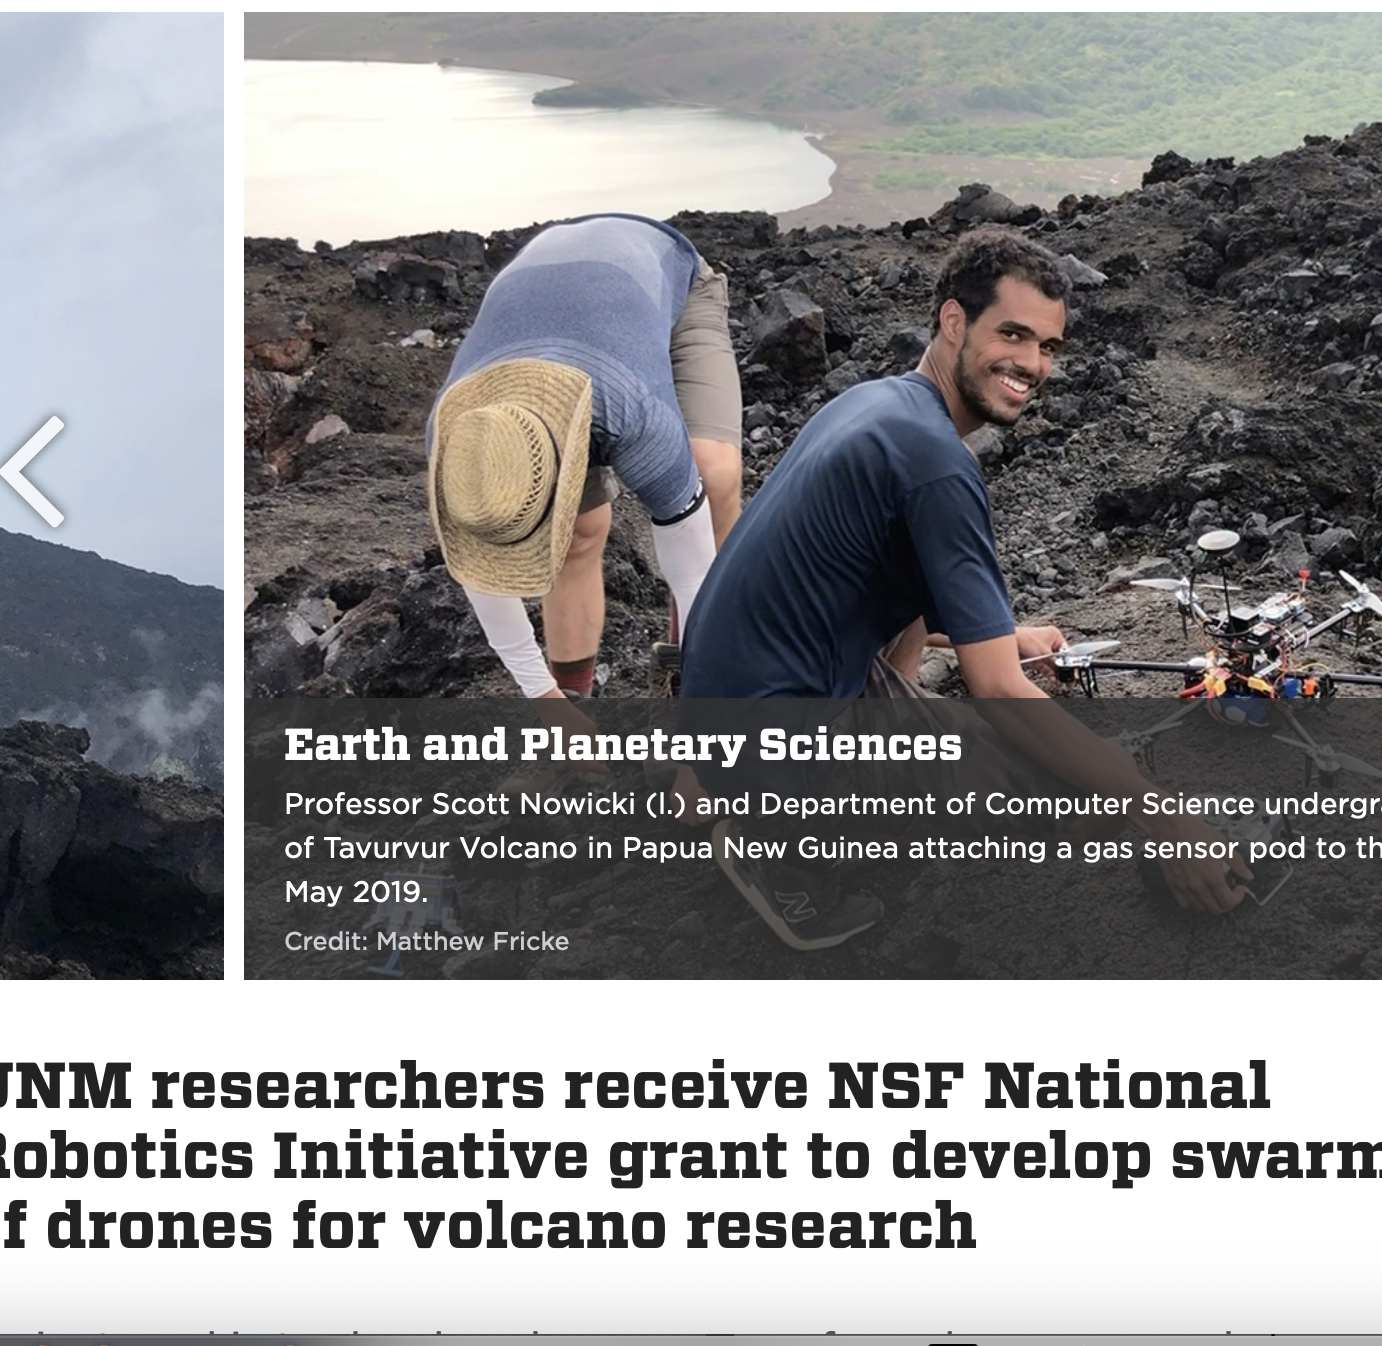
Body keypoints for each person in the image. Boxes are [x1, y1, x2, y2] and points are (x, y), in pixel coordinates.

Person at [682, 227, 1247, 949]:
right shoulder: (937, 465)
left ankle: (787, 777)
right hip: (773, 754)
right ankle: (784, 854)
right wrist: (1163, 819)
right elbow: (999, 692)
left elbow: (855, 574)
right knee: (1040, 797)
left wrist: (1001, 637)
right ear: (953, 321)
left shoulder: (876, 404)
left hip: (723, 715)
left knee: (990, 689)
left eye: (1047, 346)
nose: (1033, 364)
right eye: (1012, 334)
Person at [427, 212, 735, 701]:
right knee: (576, 534)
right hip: (551, 290)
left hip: (661, 269)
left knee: (712, 471)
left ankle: (694, 664)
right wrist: (548, 706)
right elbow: (480, 570)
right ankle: (576, 709)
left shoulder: (629, 412)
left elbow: (690, 560)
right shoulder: (460, 442)